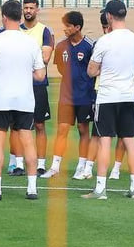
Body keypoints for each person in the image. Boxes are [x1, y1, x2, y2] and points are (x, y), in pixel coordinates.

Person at [0, 0, 45, 201]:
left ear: (4, 17)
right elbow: (40, 75)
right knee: (28, 142)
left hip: (0, 98)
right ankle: (32, 188)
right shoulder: (31, 42)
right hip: (24, 99)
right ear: (20, 16)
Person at [84, 0, 134, 200]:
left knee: (105, 141)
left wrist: (102, 68)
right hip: (128, 96)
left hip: (108, 96)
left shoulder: (104, 41)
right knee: (130, 142)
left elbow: (91, 71)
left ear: (109, 16)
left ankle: (100, 188)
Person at [42, 11, 97, 180]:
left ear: (77, 27)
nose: (64, 29)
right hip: (66, 96)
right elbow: (60, 68)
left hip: (85, 96)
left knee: (83, 129)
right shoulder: (60, 46)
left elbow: (94, 69)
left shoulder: (90, 46)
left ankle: (81, 166)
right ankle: (55, 167)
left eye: (68, 26)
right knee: (62, 130)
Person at [21, 0, 55, 175]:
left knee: (39, 125)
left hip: (38, 84)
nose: (28, 11)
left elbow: (45, 58)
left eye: (31, 8)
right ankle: (18, 163)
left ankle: (40, 163)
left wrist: (21, 60)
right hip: (18, 84)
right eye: (25, 8)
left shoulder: (44, 31)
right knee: (18, 125)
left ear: (37, 10)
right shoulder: (16, 30)